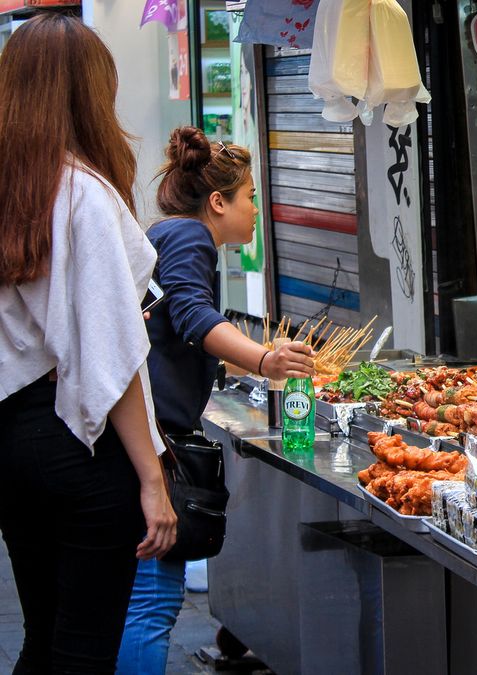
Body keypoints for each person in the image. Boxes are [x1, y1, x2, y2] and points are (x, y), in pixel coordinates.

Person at [0, 13, 177, 673]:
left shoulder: (10, 187)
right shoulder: (83, 192)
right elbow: (114, 354)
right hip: (79, 441)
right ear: (88, 93)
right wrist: (153, 479)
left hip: (12, 438)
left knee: (41, 639)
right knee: (82, 652)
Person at [116, 126, 315, 675]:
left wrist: (240, 356)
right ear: (218, 201)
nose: (255, 210)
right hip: (150, 445)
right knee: (150, 604)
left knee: (138, 602)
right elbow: (193, 318)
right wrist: (264, 359)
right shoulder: (188, 237)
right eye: (250, 196)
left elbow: (178, 334)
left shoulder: (171, 234)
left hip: (142, 437)